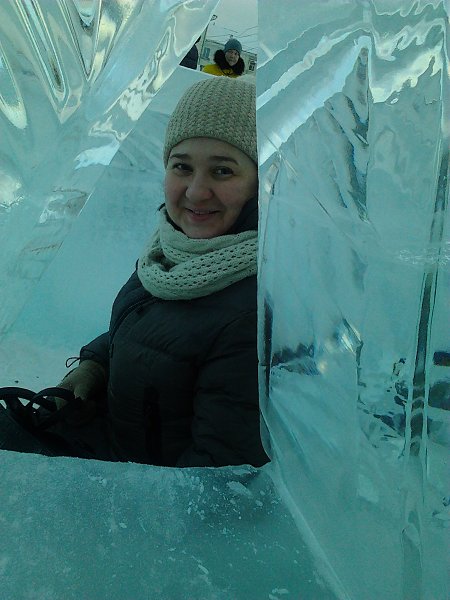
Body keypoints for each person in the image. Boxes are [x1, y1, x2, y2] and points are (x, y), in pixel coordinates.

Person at [26, 77, 267, 468]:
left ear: (259, 183)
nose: (196, 191)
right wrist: (95, 365)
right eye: (182, 166)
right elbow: (149, 330)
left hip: (127, 486)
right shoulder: (170, 252)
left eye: (222, 171)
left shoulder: (249, 313)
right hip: (102, 439)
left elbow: (215, 481)